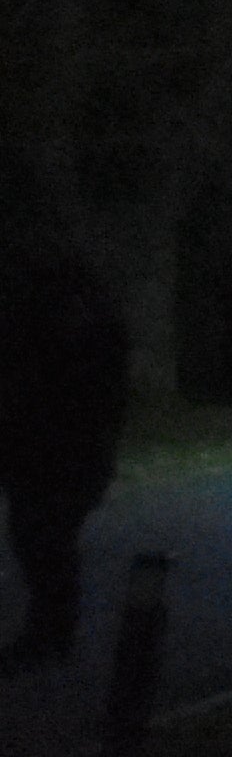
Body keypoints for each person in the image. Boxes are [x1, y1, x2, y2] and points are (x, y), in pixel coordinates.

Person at [0, 226, 129, 668]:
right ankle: (51, 633)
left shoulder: (84, 327)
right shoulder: (57, 321)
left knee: (45, 539)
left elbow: (91, 395)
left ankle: (52, 635)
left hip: (67, 452)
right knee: (38, 540)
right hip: (46, 449)